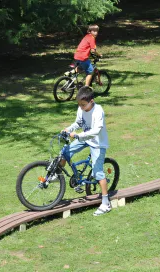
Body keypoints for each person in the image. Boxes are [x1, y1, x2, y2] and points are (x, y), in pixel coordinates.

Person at [60, 86, 110, 216]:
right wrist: (68, 129)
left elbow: (96, 131)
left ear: (91, 101)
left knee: (98, 172)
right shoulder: (81, 108)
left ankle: (106, 203)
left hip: (98, 143)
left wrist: (78, 135)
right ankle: (57, 176)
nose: (81, 107)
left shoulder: (98, 111)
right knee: (65, 151)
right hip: (84, 138)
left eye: (83, 105)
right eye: (79, 105)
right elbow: (77, 123)